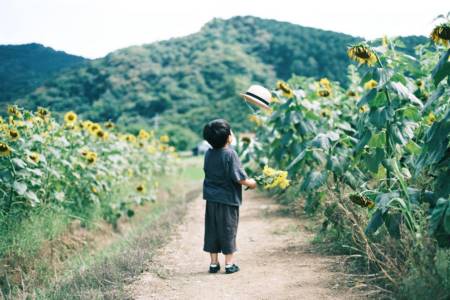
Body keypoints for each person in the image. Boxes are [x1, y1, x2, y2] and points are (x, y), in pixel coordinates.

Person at [202, 119, 257, 274]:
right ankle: (229, 264)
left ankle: (213, 263)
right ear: (228, 137)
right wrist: (251, 183)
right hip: (228, 200)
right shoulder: (230, 154)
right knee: (228, 229)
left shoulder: (208, 153)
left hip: (211, 199)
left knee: (212, 230)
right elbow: (239, 178)